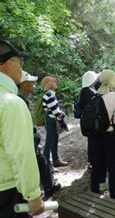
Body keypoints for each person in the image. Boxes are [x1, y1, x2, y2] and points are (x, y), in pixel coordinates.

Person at [0, 39, 44, 217]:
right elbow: (20, 153)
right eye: (20, 62)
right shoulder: (11, 103)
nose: (21, 68)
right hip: (7, 191)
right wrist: (32, 194)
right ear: (7, 65)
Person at [17, 70, 61, 198]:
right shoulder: (19, 100)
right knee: (41, 159)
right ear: (23, 85)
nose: (34, 85)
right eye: (31, 82)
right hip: (27, 138)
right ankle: (44, 189)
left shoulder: (21, 98)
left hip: (29, 137)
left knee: (41, 160)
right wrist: (33, 136)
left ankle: (48, 186)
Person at [91, 69, 115, 200]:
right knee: (113, 166)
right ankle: (114, 197)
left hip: (96, 136)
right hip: (110, 135)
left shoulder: (96, 96)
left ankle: (94, 193)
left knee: (97, 165)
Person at [41, 76, 68, 171]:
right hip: (51, 121)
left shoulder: (51, 94)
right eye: (53, 82)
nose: (56, 83)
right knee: (49, 142)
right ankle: (46, 164)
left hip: (53, 120)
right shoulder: (48, 95)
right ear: (48, 84)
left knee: (55, 141)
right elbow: (56, 111)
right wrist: (62, 116)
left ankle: (56, 160)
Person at [80, 71, 99, 169]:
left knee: (93, 141)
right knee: (92, 141)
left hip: (92, 119)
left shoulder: (91, 90)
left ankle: (93, 160)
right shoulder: (87, 92)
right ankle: (91, 161)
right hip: (90, 121)